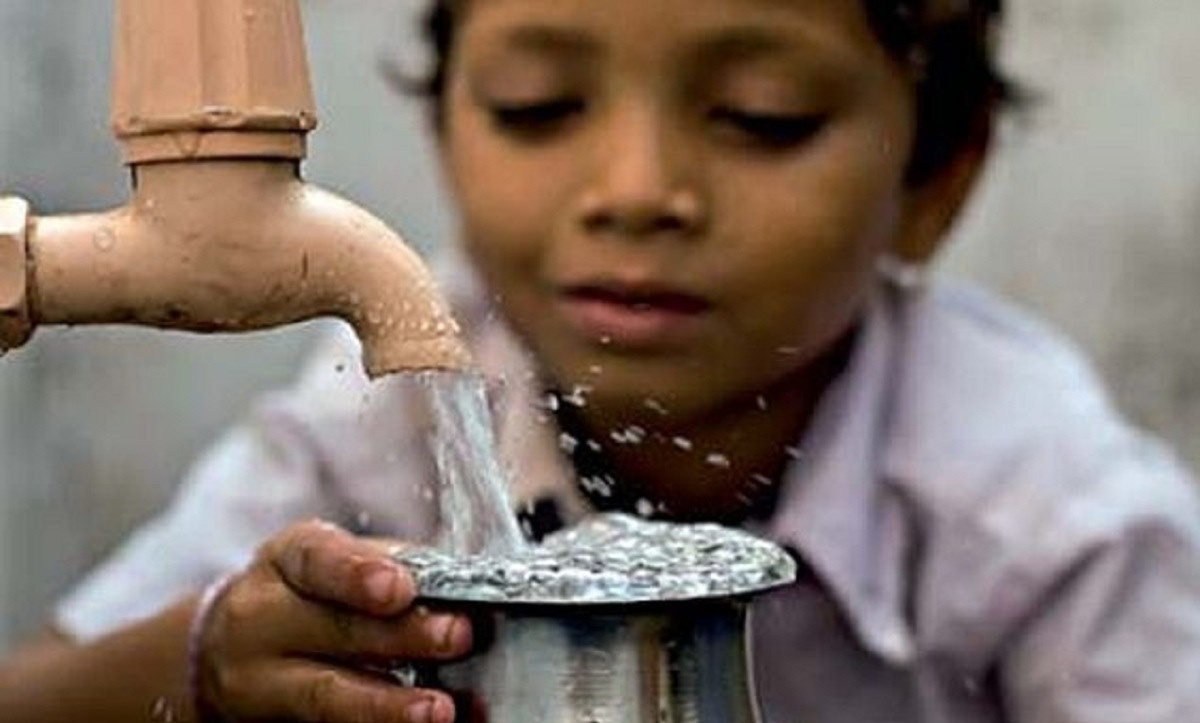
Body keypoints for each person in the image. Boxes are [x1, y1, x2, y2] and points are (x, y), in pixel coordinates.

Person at [3, 0, 1200, 721]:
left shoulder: (1043, 505)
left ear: (936, 179)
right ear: (446, 128)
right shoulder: (406, 397)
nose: (635, 191)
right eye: (537, 106)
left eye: (763, 117)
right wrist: (205, 665)